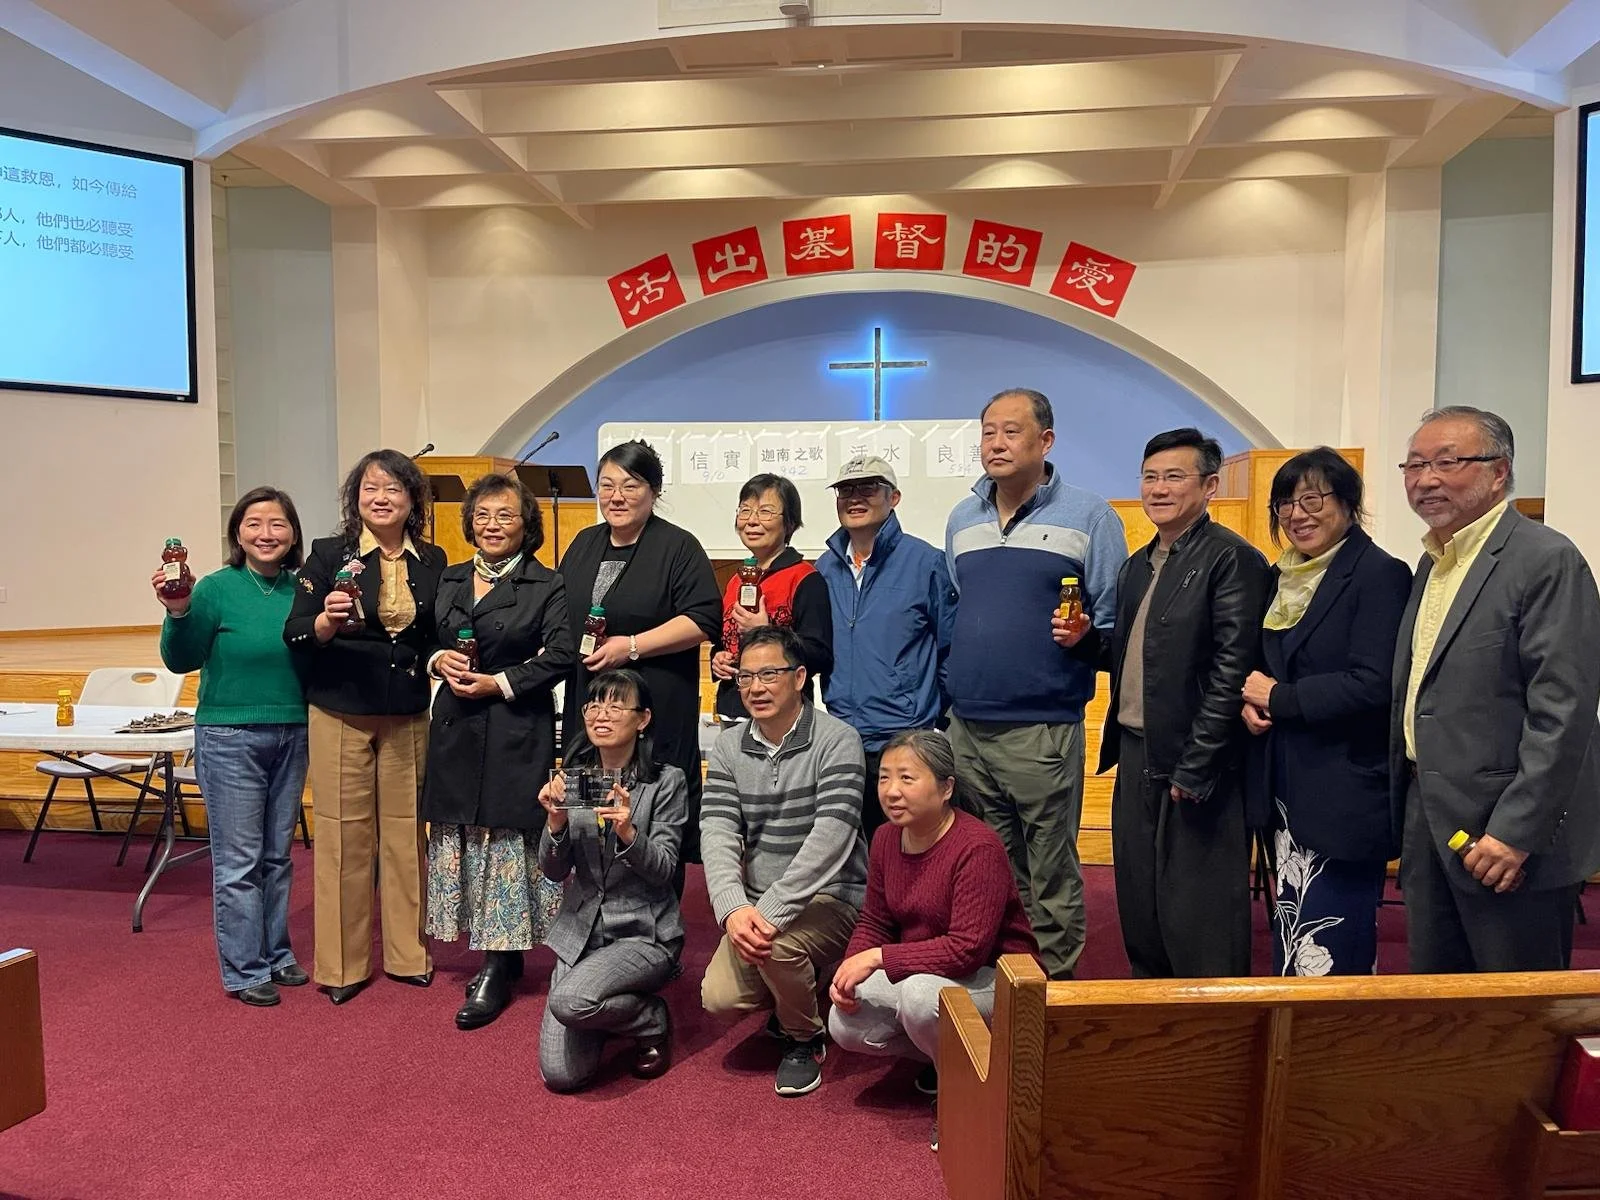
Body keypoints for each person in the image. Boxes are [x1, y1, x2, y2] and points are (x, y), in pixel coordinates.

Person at [1392, 406, 1600, 972]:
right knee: (1439, 1001)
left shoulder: (1545, 559)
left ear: (1499, 472)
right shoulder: (1433, 564)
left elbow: (1563, 710)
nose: (1425, 479)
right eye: (1414, 465)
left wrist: (1515, 833)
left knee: (1513, 1008)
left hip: (1504, 838)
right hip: (1431, 821)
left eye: (1446, 462)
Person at [943, 388, 1125, 980]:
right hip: (968, 726)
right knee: (990, 864)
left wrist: (1086, 639)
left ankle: (1056, 987)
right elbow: (960, 605)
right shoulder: (962, 518)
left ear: (1045, 440)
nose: (996, 443)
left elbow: (1112, 621)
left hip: (1041, 727)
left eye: (1011, 431)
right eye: (988, 431)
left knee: (1049, 867)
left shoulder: (1089, 516)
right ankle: (1007, 979)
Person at [1098, 428, 1269, 979]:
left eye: (1174, 477)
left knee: (1200, 916)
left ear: (1210, 485)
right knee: (1140, 905)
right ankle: (1152, 1016)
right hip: (1135, 752)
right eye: (1150, 477)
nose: (1158, 489)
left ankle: (1211, 1026)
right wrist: (1082, 643)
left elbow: (1231, 670)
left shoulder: (1231, 558)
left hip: (1195, 760)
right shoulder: (1137, 565)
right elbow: (1132, 654)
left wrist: (1197, 764)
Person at [1238, 449, 1411, 976]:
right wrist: (1251, 704)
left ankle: (1335, 1030)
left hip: (1342, 791)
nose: (1297, 514)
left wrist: (1279, 698)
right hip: (1285, 785)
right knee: (1293, 936)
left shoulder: (1379, 574)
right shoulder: (1282, 576)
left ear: (1349, 503)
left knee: (1334, 943)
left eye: (1312, 499)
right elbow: (1265, 668)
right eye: (1286, 503)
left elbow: (1374, 683)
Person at [284, 449, 447, 1005]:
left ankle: (409, 954)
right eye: (369, 489)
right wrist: (326, 621)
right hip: (340, 711)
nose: (381, 498)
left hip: (407, 713)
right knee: (342, 838)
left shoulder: (432, 559)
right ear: (355, 499)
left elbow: (436, 635)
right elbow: (295, 631)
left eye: (393, 489)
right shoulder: (330, 554)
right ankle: (342, 965)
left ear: (412, 500)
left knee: (407, 838)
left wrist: (443, 659)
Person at [828, 730, 1037, 1150]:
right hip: (927, 970)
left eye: (907, 778)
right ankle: (953, 1062)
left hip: (996, 976)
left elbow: (967, 950)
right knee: (845, 1022)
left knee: (921, 998)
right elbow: (875, 919)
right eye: (884, 778)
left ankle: (964, 1093)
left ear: (946, 788)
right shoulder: (886, 837)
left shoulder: (978, 846)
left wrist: (878, 958)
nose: (891, 791)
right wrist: (850, 969)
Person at [423, 473, 573, 1030]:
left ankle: (498, 962)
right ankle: (494, 955)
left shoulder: (546, 582)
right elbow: (422, 639)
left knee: (506, 841)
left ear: (526, 524)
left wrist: (500, 682)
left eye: (505, 515)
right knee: (465, 836)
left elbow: (561, 653)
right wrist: (438, 660)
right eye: (482, 515)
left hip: (515, 723)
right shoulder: (450, 576)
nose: (492, 525)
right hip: (456, 724)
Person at [155, 487, 310, 1007]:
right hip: (230, 736)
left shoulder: (303, 589)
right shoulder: (215, 588)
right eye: (254, 524)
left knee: (277, 856)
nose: (266, 534)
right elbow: (180, 659)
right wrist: (178, 610)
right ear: (238, 535)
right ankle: (245, 968)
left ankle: (277, 952)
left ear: (293, 534)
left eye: (278, 524)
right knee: (240, 861)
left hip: (293, 729)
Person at [700, 626, 867, 1098]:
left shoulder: (838, 739)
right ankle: (793, 990)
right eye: (746, 677)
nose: (755, 687)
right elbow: (718, 831)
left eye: (769, 674)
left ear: (799, 678)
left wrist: (770, 913)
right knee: (719, 998)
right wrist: (734, 910)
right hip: (756, 903)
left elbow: (832, 836)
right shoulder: (730, 746)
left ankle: (804, 1037)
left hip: (833, 897)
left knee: (775, 948)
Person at [556, 440, 720, 883]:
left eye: (630, 486)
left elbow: (703, 619)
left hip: (654, 711)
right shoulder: (584, 543)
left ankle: (659, 920)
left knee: (650, 827)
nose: (616, 496)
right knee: (588, 817)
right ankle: (591, 903)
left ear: (654, 491)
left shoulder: (677, 546)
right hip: (593, 708)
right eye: (607, 485)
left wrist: (631, 646)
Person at [536, 670, 685, 1091]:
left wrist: (628, 833)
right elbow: (553, 871)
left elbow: (665, 870)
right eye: (595, 705)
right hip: (580, 932)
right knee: (561, 1075)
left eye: (616, 705)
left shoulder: (665, 782)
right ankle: (607, 1011)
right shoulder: (577, 779)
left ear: (643, 719)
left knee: (569, 1001)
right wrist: (555, 822)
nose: (602, 715)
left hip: (642, 933)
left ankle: (650, 1018)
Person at [816, 455, 956, 841]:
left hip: (904, 738)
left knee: (908, 847)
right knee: (849, 851)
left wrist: (932, 714)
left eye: (868, 488)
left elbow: (950, 649)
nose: (854, 497)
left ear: (894, 497)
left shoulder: (926, 562)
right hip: (842, 738)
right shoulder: (824, 568)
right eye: (845, 490)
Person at [710, 473, 833, 721]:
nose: (752, 521)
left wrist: (767, 631)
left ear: (790, 524)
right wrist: (718, 659)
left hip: (783, 714)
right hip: (732, 708)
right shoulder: (736, 580)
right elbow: (727, 641)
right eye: (745, 511)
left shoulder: (805, 578)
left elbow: (820, 655)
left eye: (765, 512)